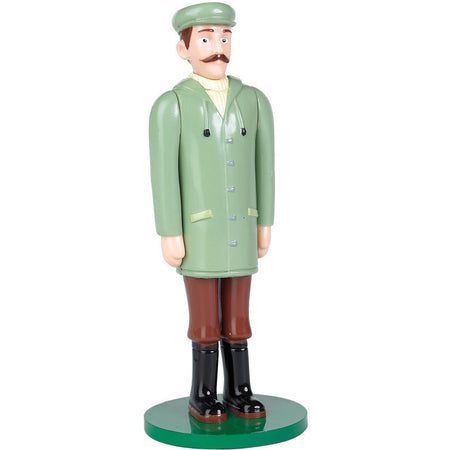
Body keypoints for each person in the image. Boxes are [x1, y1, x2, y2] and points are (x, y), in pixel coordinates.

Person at [149, 2, 275, 424]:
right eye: (205, 38)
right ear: (183, 49)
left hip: (243, 225)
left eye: (224, 37)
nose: (217, 46)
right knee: (205, 317)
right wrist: (169, 230)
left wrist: (265, 221)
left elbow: (265, 165)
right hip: (199, 232)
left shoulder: (254, 101)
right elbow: (163, 172)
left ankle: (240, 389)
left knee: (238, 316)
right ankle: (202, 392)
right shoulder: (171, 105)